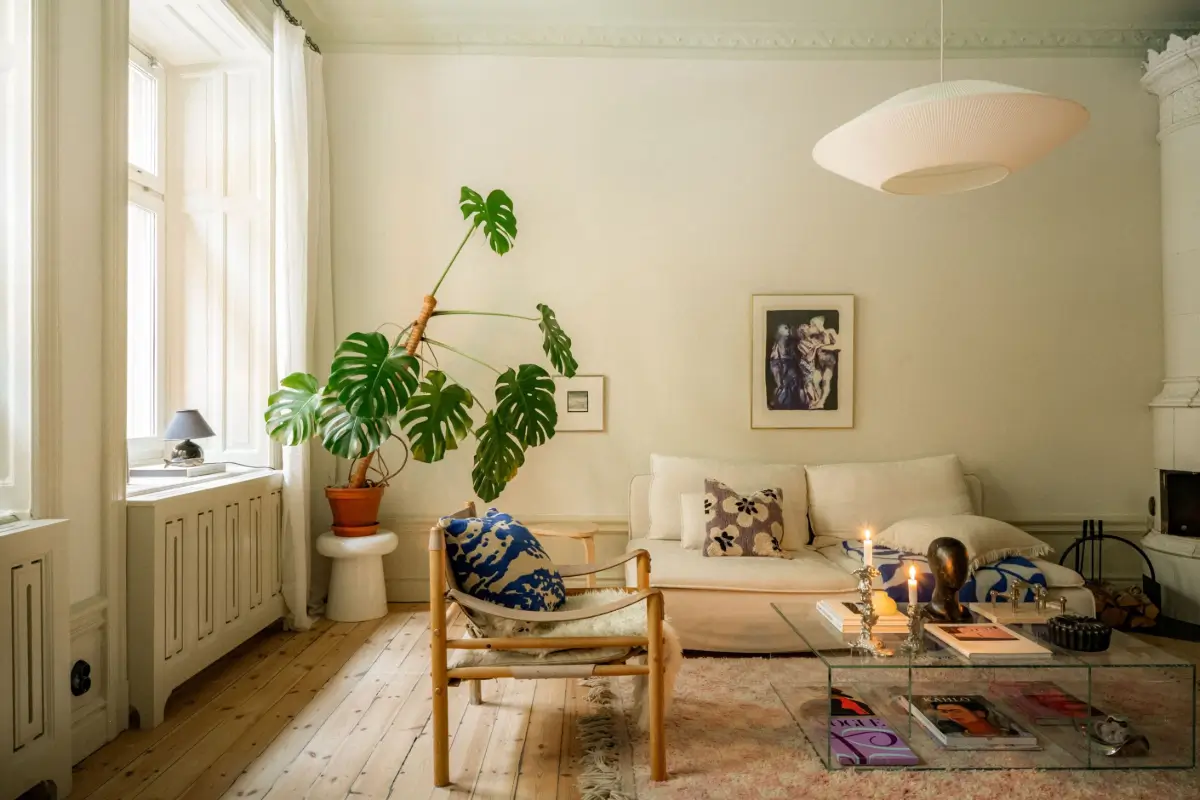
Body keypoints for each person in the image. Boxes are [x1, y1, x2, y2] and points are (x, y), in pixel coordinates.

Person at [798, 316, 840, 409]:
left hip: (829, 361)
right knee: (815, 380)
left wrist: (822, 346)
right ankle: (818, 401)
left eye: (812, 325)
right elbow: (810, 348)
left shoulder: (830, 331)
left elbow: (838, 346)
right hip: (819, 362)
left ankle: (822, 402)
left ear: (818, 325)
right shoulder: (814, 337)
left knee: (826, 380)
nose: (811, 327)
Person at [768, 323, 804, 409]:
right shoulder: (777, 345)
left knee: (792, 385)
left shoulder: (790, 343)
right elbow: (774, 360)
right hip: (779, 366)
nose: (787, 329)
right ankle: (774, 403)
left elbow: (794, 357)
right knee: (780, 386)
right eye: (785, 328)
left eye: (787, 328)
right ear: (779, 331)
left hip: (789, 367)